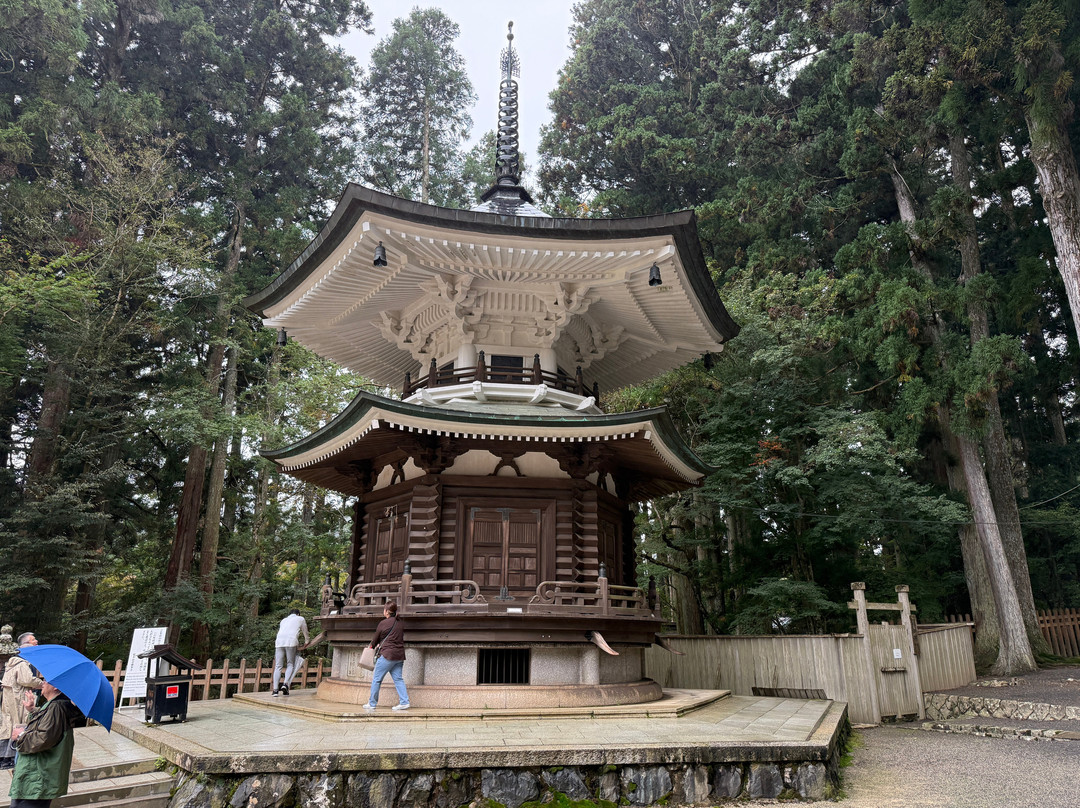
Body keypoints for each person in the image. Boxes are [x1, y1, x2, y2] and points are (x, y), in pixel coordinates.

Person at [8, 679, 83, 808]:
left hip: (38, 775)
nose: (42, 683)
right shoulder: (54, 705)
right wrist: (32, 710)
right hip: (35, 774)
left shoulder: (56, 707)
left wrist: (20, 735)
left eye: (46, 681)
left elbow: (44, 739)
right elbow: (47, 726)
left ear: (55, 687)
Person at [364, 600, 409, 711]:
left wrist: (372, 646)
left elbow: (375, 639)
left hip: (387, 655)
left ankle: (372, 703)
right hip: (399, 656)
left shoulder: (383, 623)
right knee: (398, 679)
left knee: (377, 680)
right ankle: (404, 702)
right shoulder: (400, 623)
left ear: (387, 611)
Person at [1, 633, 43, 741]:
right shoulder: (21, 662)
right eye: (33, 640)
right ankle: (15, 749)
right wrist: (43, 684)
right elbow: (27, 679)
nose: (37, 642)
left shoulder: (16, 661)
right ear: (26, 644)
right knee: (18, 722)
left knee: (11, 723)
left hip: (16, 697)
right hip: (19, 698)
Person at [271, 609, 309, 696]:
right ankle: (285, 684)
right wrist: (307, 641)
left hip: (279, 642)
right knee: (290, 664)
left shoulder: (283, 620)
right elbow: (305, 631)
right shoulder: (300, 618)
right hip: (291, 641)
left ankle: (275, 690)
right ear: (298, 614)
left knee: (278, 666)